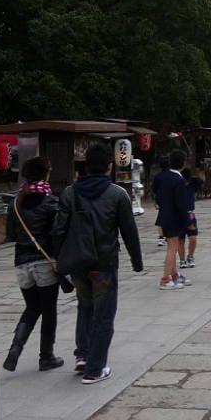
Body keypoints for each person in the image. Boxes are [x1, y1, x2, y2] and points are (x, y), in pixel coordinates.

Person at [53, 141, 143, 384]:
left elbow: (59, 230)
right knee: (104, 313)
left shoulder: (70, 193)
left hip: (78, 261)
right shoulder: (117, 194)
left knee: (85, 306)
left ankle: (82, 355)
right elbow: (128, 231)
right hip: (104, 261)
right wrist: (137, 261)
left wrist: (59, 263)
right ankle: (95, 367)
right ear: (109, 166)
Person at [2, 156, 64, 372]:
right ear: (46, 174)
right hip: (43, 262)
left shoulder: (16, 203)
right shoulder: (50, 201)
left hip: (21, 263)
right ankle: (46, 356)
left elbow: (10, 235)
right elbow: (57, 234)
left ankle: (14, 350)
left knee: (31, 307)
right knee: (48, 311)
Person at [155, 148, 191, 289]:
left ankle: (174, 275)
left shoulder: (164, 176)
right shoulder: (178, 180)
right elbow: (181, 204)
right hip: (173, 218)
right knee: (172, 248)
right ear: (183, 163)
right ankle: (165, 279)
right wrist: (187, 222)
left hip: (164, 216)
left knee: (172, 246)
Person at [178, 167, 204, 269]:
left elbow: (201, 181)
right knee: (180, 240)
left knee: (192, 238)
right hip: (179, 214)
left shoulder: (193, 184)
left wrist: (191, 178)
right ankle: (182, 259)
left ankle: (190, 256)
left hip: (190, 213)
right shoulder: (178, 185)